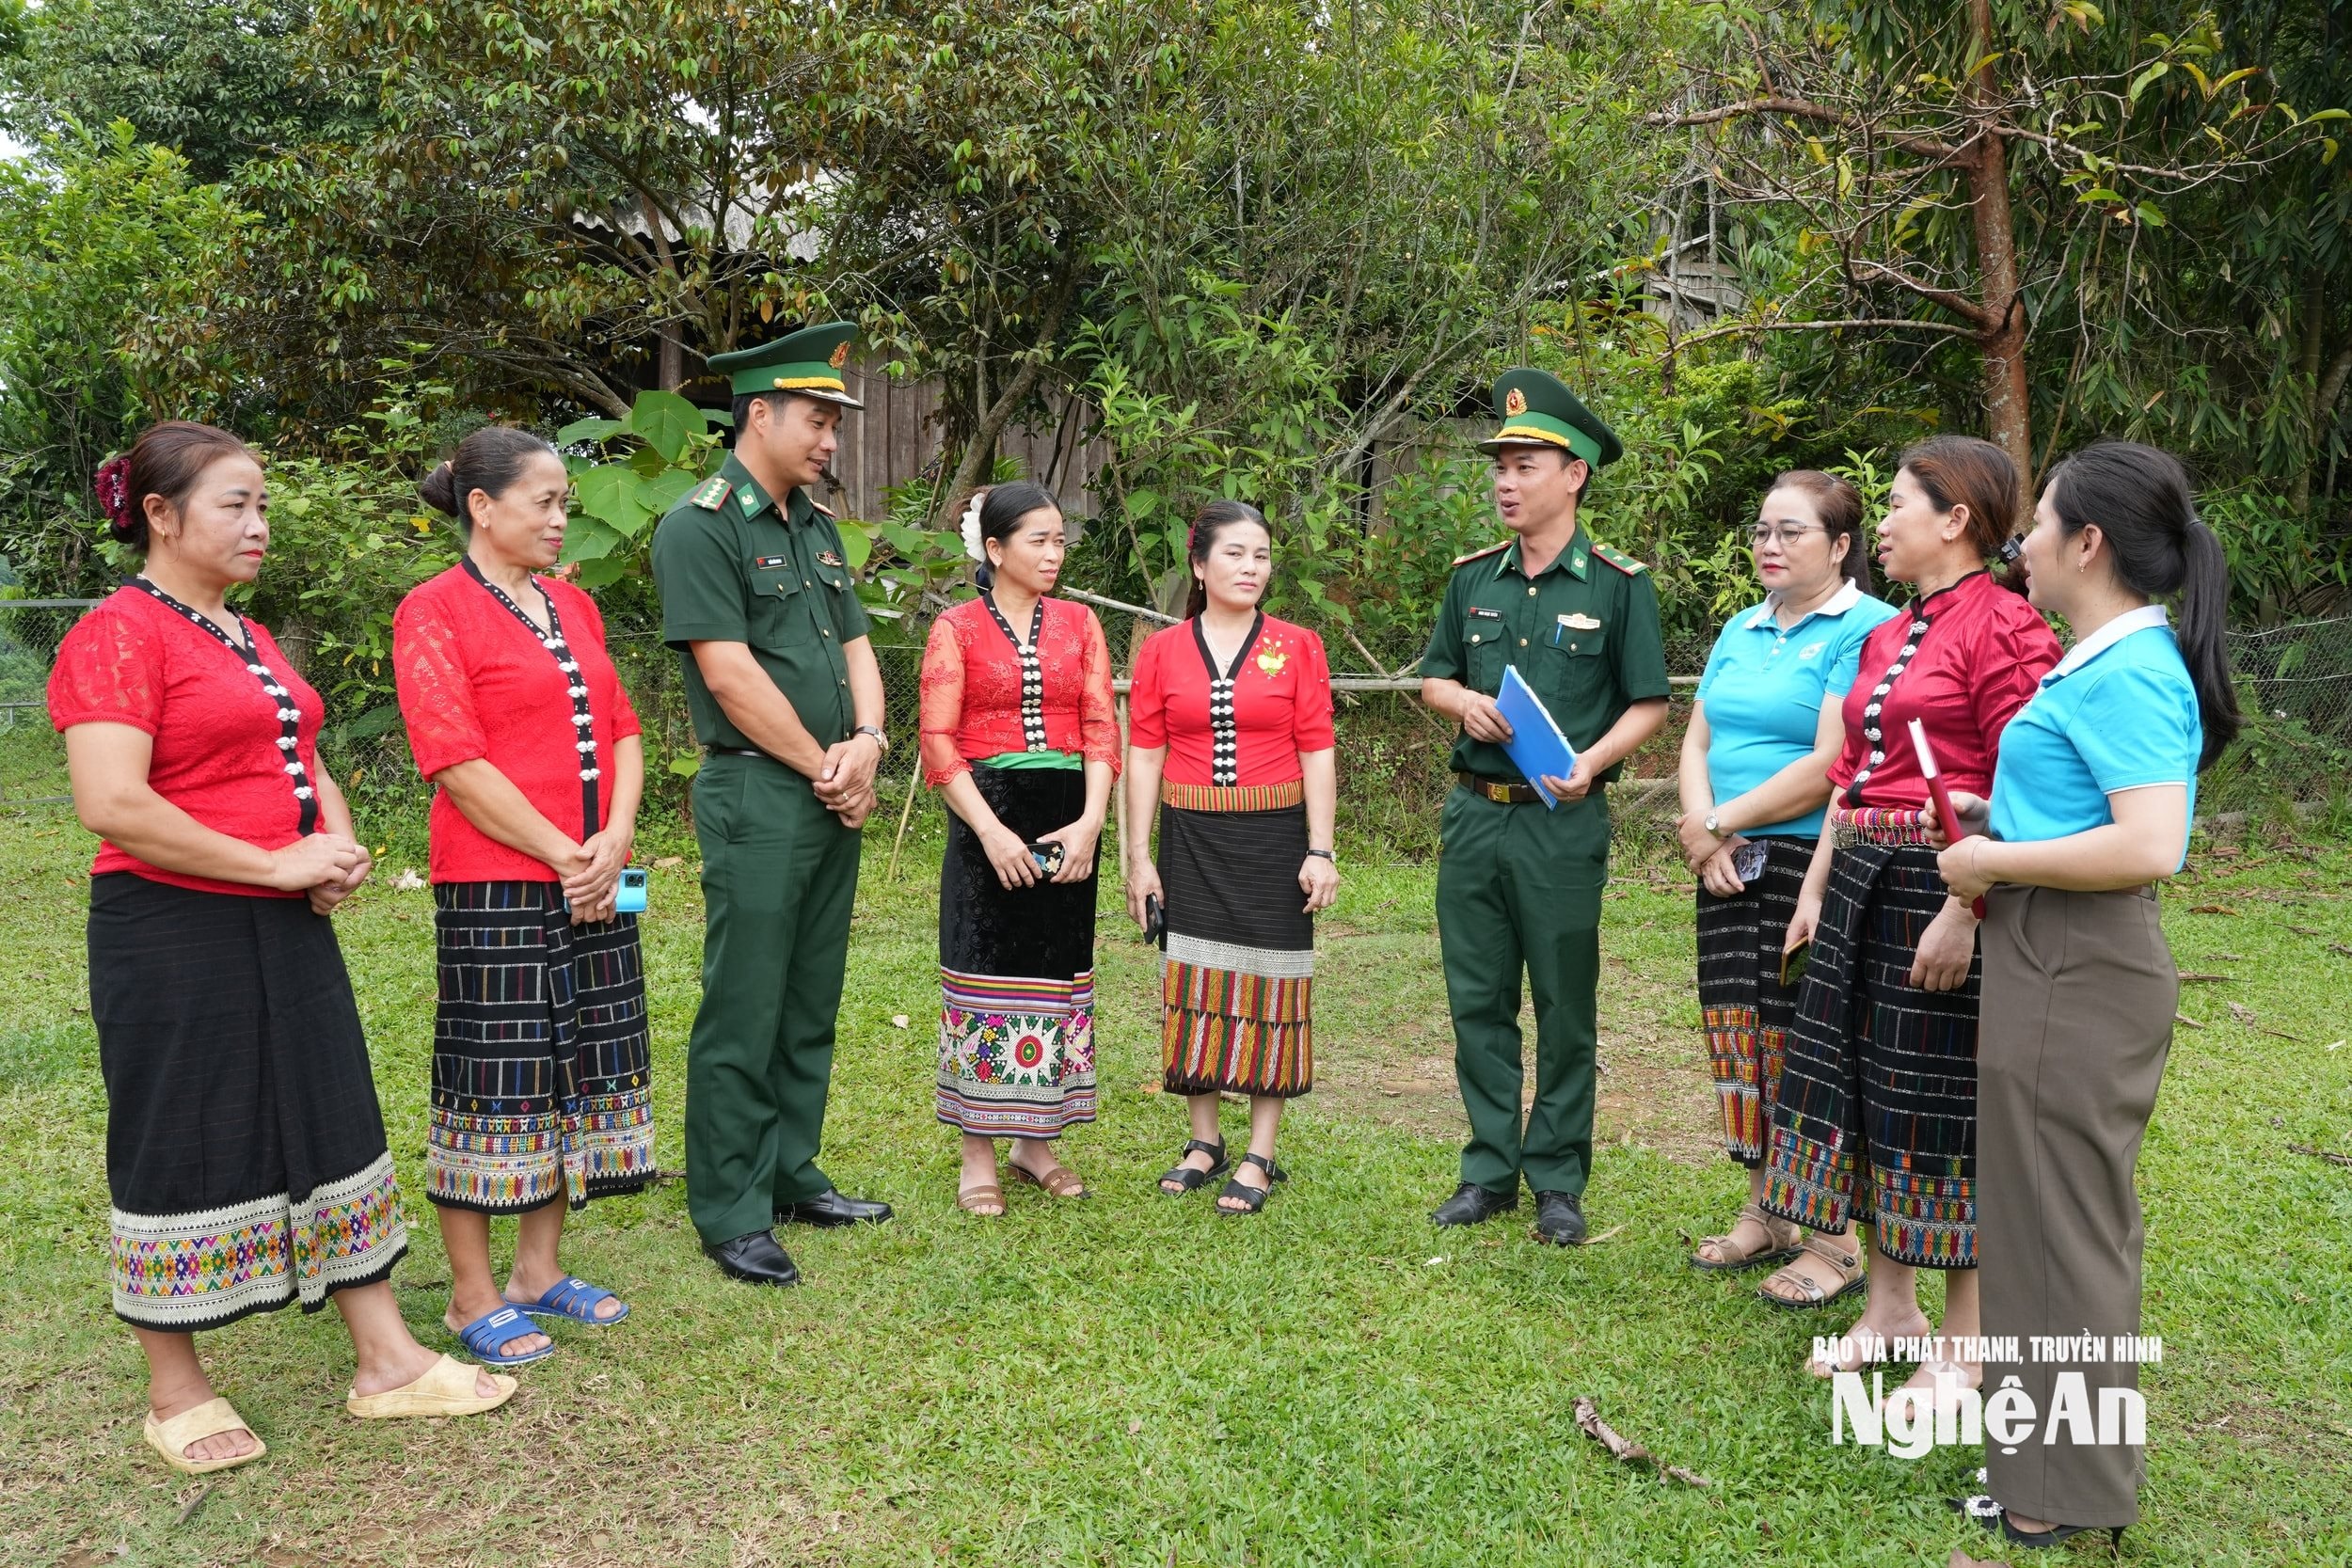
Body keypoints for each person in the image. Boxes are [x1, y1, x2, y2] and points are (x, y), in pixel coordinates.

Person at [52, 423, 513, 1476]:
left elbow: (300, 751)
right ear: (160, 514)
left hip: (283, 914)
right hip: (172, 925)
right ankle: (176, 1388)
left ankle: (386, 1357)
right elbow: (111, 800)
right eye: (236, 504)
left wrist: (333, 847)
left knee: (329, 1104)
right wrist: (271, 863)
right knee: (179, 1130)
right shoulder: (119, 633)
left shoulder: (244, 631)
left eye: (263, 505)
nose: (259, 525)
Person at [1938, 442, 2238, 1549]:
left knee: (2064, 1228)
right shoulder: (2096, 662)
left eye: (2039, 523)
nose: (2022, 543)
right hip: (2048, 953)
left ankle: (2060, 1490)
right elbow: (2091, 809)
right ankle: (2041, 1468)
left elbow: (2150, 842)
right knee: (2035, 1219)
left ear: (2088, 542)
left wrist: (1991, 860)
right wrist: (2002, 822)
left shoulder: (2128, 669)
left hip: (2079, 964)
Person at [1759, 436, 2061, 1402]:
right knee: (1865, 1090)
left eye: (1895, 505)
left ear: (1956, 519)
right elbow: (1850, 778)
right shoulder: (1887, 633)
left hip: (1941, 886)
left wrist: (1965, 909)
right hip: (1859, 881)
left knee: (1943, 1106)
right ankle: (1891, 1307)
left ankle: (1966, 1342)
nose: (1880, 523)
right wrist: (1815, 889)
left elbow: (2028, 785)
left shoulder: (2007, 626)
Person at [393, 426, 654, 1367]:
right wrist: (564, 853)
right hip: (495, 876)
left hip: (599, 870)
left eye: (562, 502)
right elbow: (454, 760)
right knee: (489, 1074)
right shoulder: (433, 610)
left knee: (577, 1062)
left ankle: (537, 1270)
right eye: (544, 501)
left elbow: (623, 729)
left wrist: (612, 839)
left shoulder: (573, 605)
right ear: (482, 505)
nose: (559, 518)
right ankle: (470, 1293)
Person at [650, 322, 894, 1289]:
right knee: (746, 1001)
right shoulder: (700, 526)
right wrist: (827, 767)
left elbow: (856, 648)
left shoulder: (815, 527)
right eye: (816, 420)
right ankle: (730, 1205)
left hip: (830, 788)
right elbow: (729, 672)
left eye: (835, 422)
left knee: (807, 994)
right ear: (759, 414)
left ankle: (792, 1170)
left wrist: (869, 743)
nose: (831, 438)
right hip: (758, 788)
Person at [1417, 369, 1672, 1244]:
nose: (1506, 480)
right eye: (1501, 464)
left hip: (1562, 822)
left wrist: (1594, 763)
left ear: (1575, 475)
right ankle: (1487, 1169)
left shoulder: (1617, 584)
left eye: (1525, 465)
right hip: (1475, 815)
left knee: (1564, 1002)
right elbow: (1434, 677)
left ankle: (1557, 1177)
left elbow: (1649, 701)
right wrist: (1462, 703)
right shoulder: (1471, 580)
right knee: (1477, 997)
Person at [1677, 471, 1896, 1279]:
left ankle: (1833, 1236)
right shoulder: (1741, 626)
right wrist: (1706, 835)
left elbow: (1832, 760)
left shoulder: (1867, 626)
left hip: (1809, 860)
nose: (1770, 545)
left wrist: (1718, 823)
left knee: (1809, 1040)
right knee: (1741, 1031)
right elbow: (1697, 741)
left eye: (1791, 531)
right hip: (1726, 862)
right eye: (1762, 530)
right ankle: (1765, 1209)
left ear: (1840, 546)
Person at [1125, 501, 1340, 1214]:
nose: (1252, 568)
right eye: (1235, 554)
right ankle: (1205, 1140)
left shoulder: (1298, 645)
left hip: (1274, 839)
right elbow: (1145, 754)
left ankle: (1260, 1151)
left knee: (1273, 986)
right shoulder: (1162, 650)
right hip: (1189, 838)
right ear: (1198, 565)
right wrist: (1139, 857)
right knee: (1196, 985)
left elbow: (1317, 750)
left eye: (1262, 555)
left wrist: (1320, 848)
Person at [918, 483, 1120, 1215]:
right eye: (1039, 540)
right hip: (988, 813)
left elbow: (1100, 726)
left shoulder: (1081, 623)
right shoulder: (956, 628)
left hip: (1067, 815)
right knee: (984, 969)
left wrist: (1092, 821)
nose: (1054, 553)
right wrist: (991, 830)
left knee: (1053, 972)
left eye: (1060, 540)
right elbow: (937, 739)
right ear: (996, 549)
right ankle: (978, 1150)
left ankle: (1035, 1143)